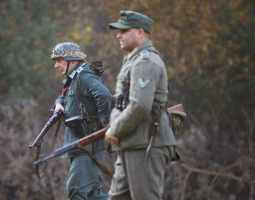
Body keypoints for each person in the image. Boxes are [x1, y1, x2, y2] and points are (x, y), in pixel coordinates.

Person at [104, 10, 180, 200]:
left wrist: (116, 129)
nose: (118, 35)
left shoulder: (145, 62)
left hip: (146, 145)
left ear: (139, 32)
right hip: (131, 143)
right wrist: (114, 125)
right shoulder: (133, 60)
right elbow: (121, 102)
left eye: (123, 30)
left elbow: (140, 106)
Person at [52, 42, 112, 200]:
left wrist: (104, 123)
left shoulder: (84, 76)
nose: (56, 65)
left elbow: (104, 96)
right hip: (80, 142)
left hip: (89, 144)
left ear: (72, 60)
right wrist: (59, 104)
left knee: (76, 189)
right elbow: (64, 96)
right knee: (94, 194)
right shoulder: (73, 78)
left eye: (59, 60)